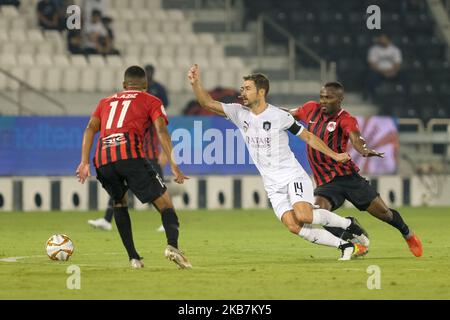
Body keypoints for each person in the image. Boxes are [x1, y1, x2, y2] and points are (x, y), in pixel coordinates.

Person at [188, 64, 369, 261]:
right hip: (272, 185)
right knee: (294, 226)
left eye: (247, 88)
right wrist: (196, 83)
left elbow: (307, 136)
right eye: (242, 88)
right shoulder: (238, 113)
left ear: (261, 91)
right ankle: (346, 245)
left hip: (292, 176)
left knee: (305, 216)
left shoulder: (279, 116)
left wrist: (335, 155)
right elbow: (207, 103)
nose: (243, 92)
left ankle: (348, 224)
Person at [289, 81, 423, 257]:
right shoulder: (310, 109)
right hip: (326, 182)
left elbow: (356, 138)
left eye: (328, 98)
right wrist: (269, 111)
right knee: (319, 213)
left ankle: (408, 234)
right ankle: (354, 240)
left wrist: (363, 150)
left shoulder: (346, 119)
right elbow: (288, 115)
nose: (323, 101)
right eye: (322, 97)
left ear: (340, 100)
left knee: (384, 213)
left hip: (348, 178)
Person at [76, 65, 192, 269]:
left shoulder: (105, 102)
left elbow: (90, 129)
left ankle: (134, 259)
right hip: (130, 155)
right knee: (166, 204)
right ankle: (172, 247)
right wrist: (174, 164)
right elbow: (161, 131)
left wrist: (84, 162)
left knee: (119, 204)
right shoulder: (151, 100)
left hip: (103, 159)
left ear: (124, 85)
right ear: (146, 86)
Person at [363, 34, 407, 102]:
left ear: (389, 40)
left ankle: (404, 95)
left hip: (392, 72)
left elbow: (398, 64)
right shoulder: (374, 49)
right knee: (371, 75)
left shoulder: (395, 50)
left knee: (403, 74)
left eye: (383, 39)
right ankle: (371, 96)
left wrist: (392, 72)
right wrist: (383, 72)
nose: (381, 41)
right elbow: (372, 64)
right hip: (378, 72)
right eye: (380, 39)